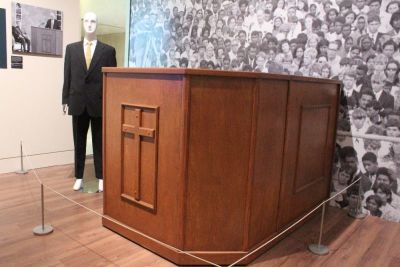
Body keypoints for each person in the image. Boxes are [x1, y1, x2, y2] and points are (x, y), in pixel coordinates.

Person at [62, 12, 117, 192]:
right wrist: (65, 99)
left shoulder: (108, 51)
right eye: (87, 21)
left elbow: (112, 80)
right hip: (77, 102)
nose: (90, 24)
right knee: (78, 142)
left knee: (100, 142)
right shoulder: (71, 49)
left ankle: (101, 177)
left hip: (99, 103)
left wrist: (111, 102)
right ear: (82, 23)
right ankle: (78, 177)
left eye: (93, 21)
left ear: (97, 24)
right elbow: (67, 76)